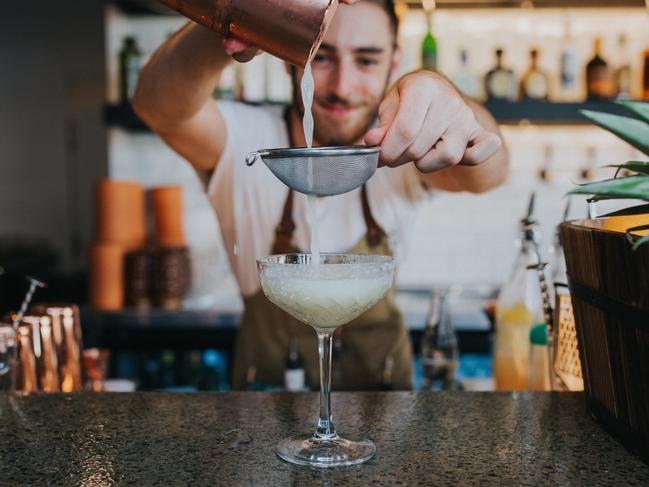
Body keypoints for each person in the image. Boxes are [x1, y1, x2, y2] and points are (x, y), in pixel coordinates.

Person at [133, 0, 508, 390]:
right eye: (321, 56)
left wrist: (447, 98)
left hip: (386, 420)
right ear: (285, 58)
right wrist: (241, 15)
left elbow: (489, 175)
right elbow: (156, 105)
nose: (342, 87)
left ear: (394, 64)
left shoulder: (404, 147)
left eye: (366, 60)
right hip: (264, 421)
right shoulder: (245, 139)